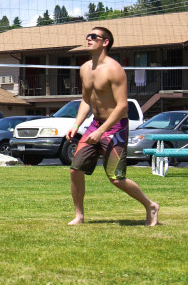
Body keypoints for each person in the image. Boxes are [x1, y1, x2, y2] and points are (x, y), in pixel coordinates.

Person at [66, 26, 159, 227]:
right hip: (95, 124)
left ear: (105, 42)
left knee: (116, 178)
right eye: (87, 36)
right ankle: (79, 216)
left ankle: (150, 205)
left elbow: (122, 106)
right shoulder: (84, 68)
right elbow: (85, 101)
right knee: (75, 169)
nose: (88, 39)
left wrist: (101, 131)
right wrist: (76, 124)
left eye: (93, 36)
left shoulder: (114, 69)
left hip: (115, 128)